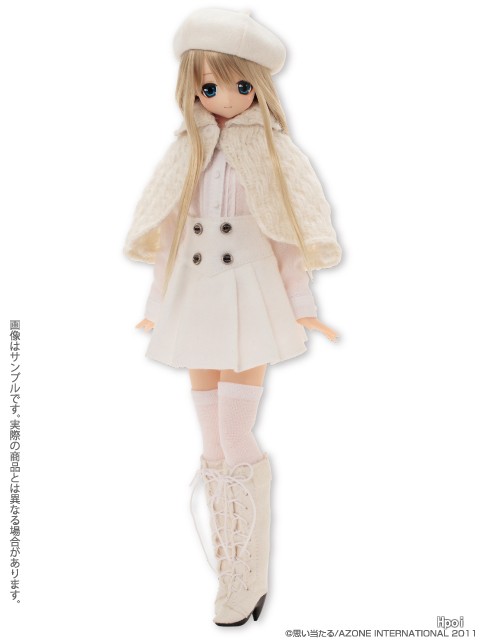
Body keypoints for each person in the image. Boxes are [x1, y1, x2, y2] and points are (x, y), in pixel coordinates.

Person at [123, 7, 342, 626]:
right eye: (209, 86)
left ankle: (249, 572)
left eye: (239, 85)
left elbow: (286, 237)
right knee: (211, 439)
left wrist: (303, 308)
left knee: (235, 432)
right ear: (192, 87)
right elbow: (169, 236)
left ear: (258, 86)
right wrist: (155, 307)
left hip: (249, 292)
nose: (222, 98)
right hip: (195, 295)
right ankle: (231, 566)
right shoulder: (186, 151)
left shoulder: (273, 152)